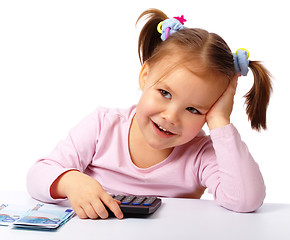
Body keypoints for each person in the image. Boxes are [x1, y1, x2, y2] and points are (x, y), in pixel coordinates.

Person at [27, 9, 272, 220]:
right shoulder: (103, 126)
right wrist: (69, 181)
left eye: (194, 109)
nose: (171, 116)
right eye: (165, 93)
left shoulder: (201, 153)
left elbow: (246, 200)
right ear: (145, 76)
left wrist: (220, 121)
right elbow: (38, 175)